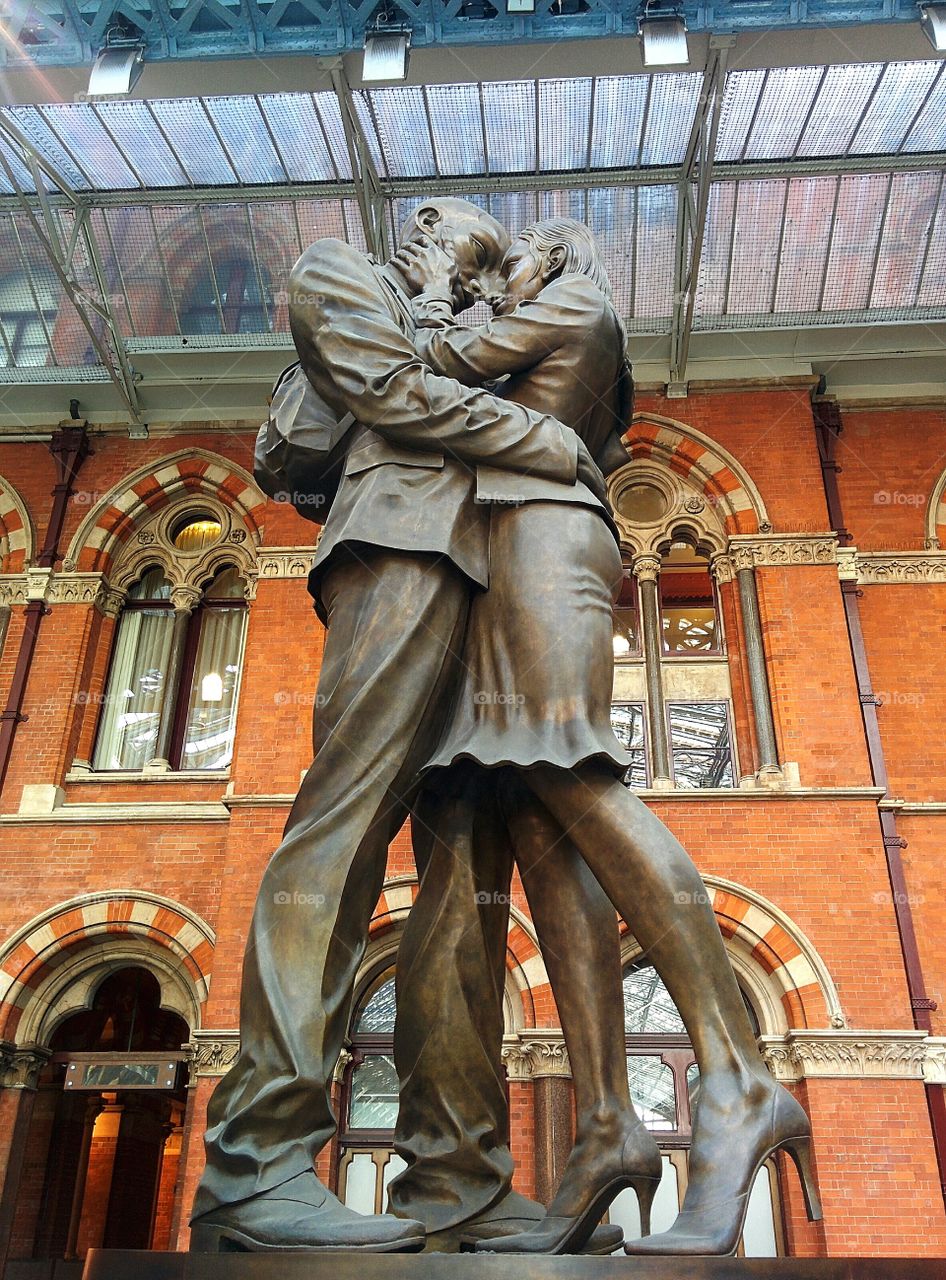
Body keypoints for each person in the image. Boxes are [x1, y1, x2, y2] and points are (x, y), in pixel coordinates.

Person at [189, 199, 623, 1254]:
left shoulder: (473, 327)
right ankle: (257, 1159)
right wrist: (545, 440)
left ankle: (457, 1173)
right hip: (397, 551)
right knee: (338, 827)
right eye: (467, 254)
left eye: (488, 271)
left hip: (490, 581)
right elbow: (369, 402)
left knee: (466, 889)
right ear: (422, 231)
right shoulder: (343, 273)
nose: (478, 279)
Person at [394, 218, 823, 1257]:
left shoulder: (575, 303)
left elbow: (433, 368)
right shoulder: (553, 326)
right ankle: (604, 1122)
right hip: (511, 544)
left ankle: (736, 1076)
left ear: (552, 258)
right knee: (540, 814)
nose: (502, 277)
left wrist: (440, 286)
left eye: (514, 263)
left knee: (570, 774)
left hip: (545, 539)